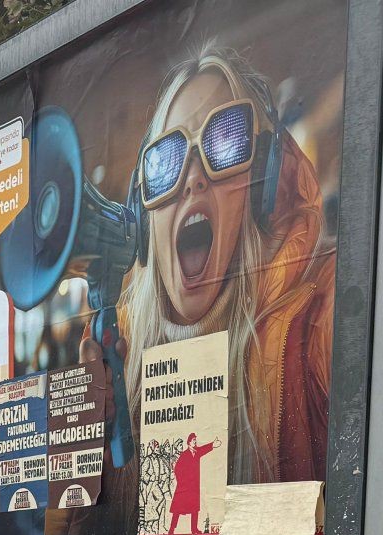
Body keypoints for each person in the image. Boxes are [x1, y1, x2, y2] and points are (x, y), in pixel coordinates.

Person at [121, 48, 335, 485]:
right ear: (145, 220)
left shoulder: (321, 312)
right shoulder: (115, 354)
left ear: (265, 188)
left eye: (227, 140)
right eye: (165, 162)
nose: (193, 178)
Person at [167, 433, 217, 535]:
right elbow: (177, 469)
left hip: (193, 487)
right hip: (184, 487)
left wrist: (212, 444)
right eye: (193, 440)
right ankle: (171, 530)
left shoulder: (197, 452)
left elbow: (203, 449)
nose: (195, 441)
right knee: (177, 510)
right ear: (189, 442)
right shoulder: (184, 455)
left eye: (195, 440)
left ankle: (194, 529)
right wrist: (183, 482)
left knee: (194, 508)